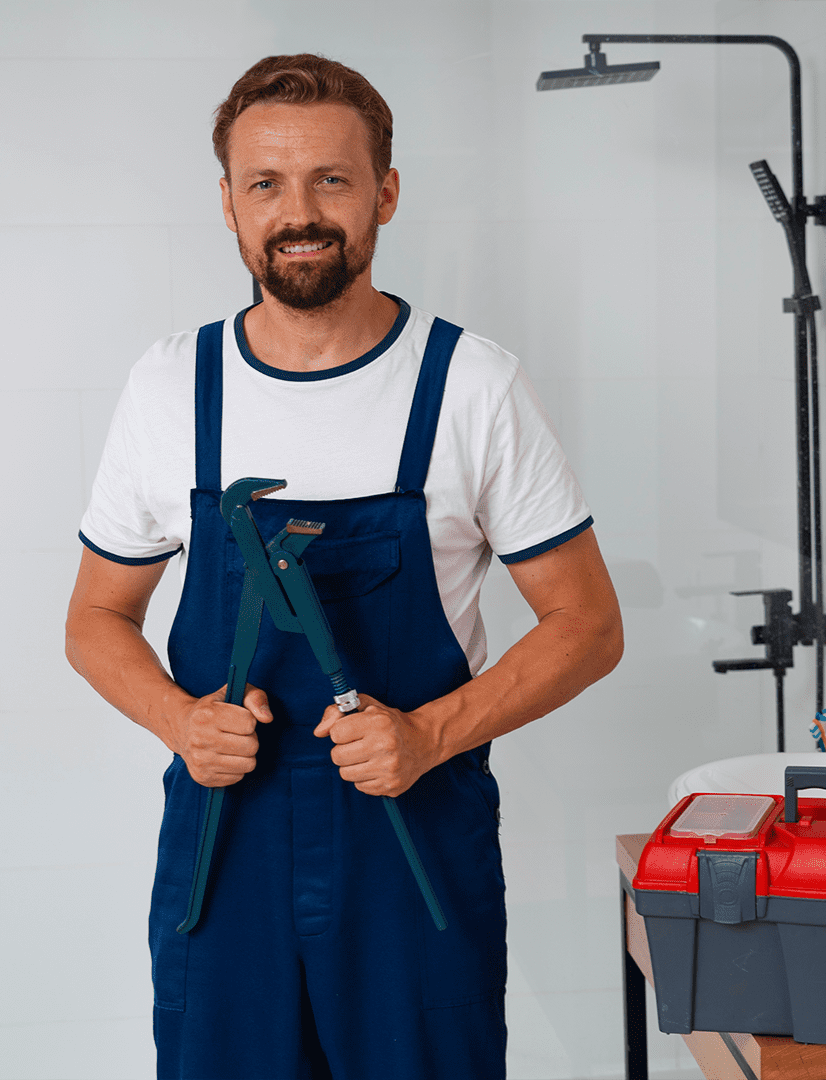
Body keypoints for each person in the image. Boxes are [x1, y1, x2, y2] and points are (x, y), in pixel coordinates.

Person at [65, 53, 622, 1080]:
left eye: (332, 178)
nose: (299, 211)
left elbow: (588, 624)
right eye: (266, 183)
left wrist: (429, 734)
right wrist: (180, 721)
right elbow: (96, 617)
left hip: (408, 847)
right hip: (222, 842)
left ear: (386, 193)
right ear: (228, 203)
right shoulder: (170, 388)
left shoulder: (471, 386)